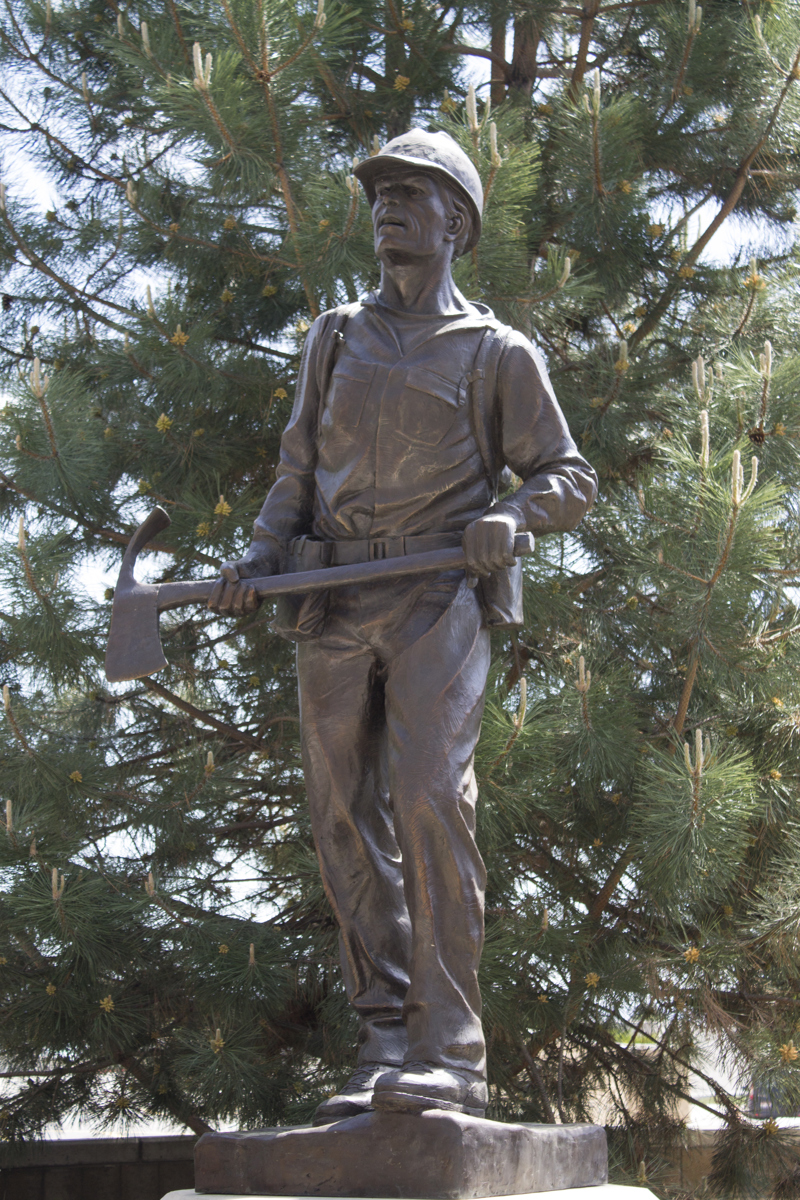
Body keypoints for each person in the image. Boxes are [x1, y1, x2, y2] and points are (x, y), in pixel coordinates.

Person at [209, 129, 597, 1125]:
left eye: (411, 194)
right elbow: (296, 470)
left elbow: (565, 475)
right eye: (380, 193)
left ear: (455, 224)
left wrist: (512, 516)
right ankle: (383, 1035)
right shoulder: (332, 335)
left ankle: (450, 1052)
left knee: (429, 805)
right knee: (336, 813)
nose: (388, 206)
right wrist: (256, 558)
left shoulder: (494, 353)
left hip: (435, 602)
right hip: (332, 600)